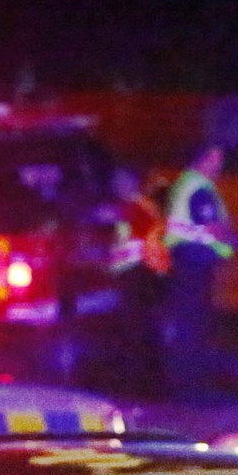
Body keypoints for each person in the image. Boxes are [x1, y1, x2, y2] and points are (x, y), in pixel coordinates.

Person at [163, 142, 235, 400]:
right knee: (194, 327)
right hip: (193, 262)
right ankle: (192, 389)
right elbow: (214, 226)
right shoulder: (199, 188)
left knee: (188, 324)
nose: (219, 166)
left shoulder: (187, 184)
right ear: (201, 160)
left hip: (186, 261)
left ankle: (185, 385)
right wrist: (232, 236)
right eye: (214, 160)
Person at [102, 165, 170, 394]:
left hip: (138, 275)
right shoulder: (134, 206)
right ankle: (142, 380)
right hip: (133, 275)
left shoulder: (137, 207)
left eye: (122, 181)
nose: (117, 186)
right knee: (137, 329)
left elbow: (137, 239)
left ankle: (138, 383)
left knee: (136, 330)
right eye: (115, 181)